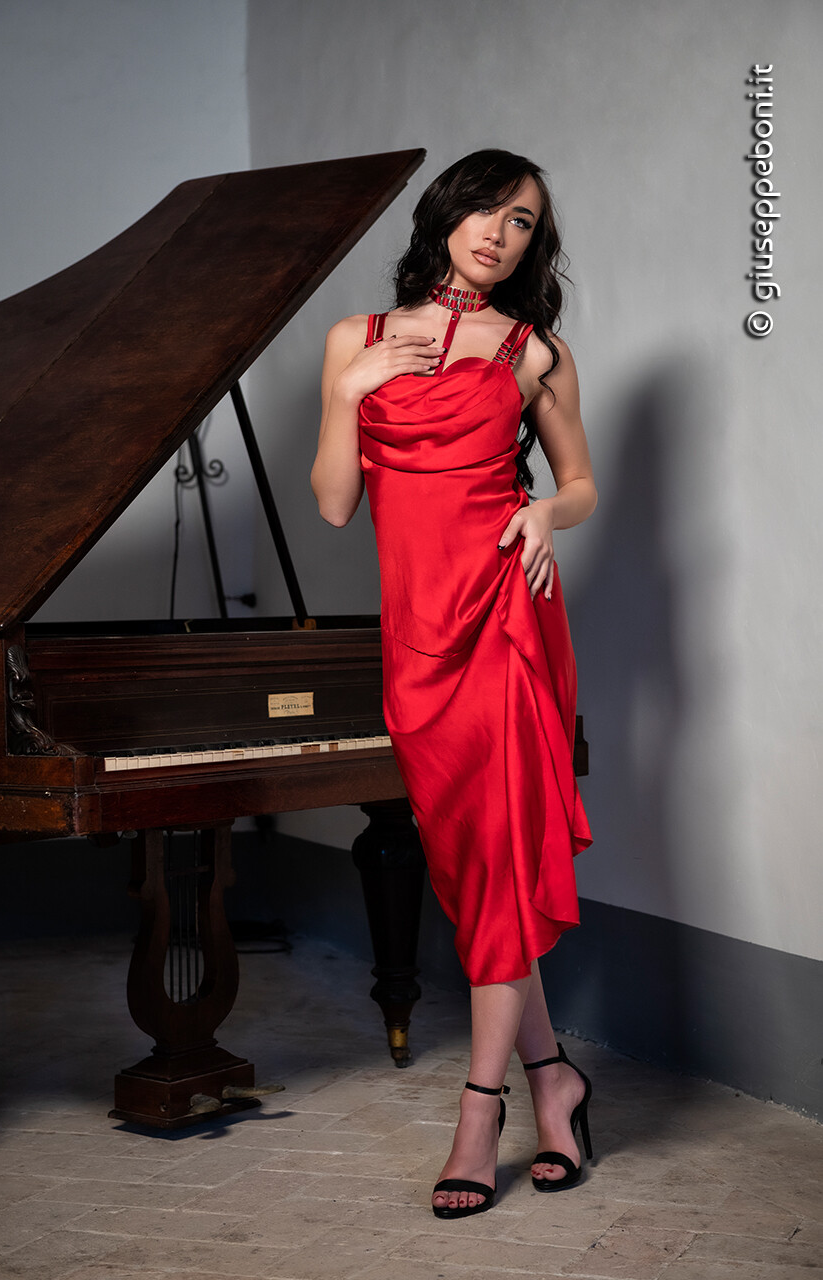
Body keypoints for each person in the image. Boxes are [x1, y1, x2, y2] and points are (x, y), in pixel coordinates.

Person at [311, 149, 597, 1219]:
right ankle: (554, 1077)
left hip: (507, 618)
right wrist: (348, 395)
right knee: (477, 865)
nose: (498, 232)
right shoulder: (357, 340)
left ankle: (480, 1114)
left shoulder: (534, 351)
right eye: (486, 208)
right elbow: (335, 502)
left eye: (522, 222)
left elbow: (580, 483)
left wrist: (543, 511)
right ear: (445, 214)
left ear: (531, 247)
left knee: (501, 851)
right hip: (417, 641)